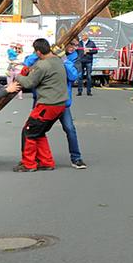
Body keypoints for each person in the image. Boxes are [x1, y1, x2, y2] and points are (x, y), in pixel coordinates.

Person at [24, 41, 88, 169]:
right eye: (70, 45)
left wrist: (64, 60)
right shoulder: (45, 59)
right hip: (43, 100)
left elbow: (73, 76)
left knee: (69, 129)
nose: (72, 48)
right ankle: (38, 159)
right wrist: (39, 55)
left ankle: (76, 158)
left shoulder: (70, 58)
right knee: (36, 130)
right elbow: (27, 63)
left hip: (62, 102)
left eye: (74, 45)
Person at [13, 38, 69, 172]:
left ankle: (29, 164)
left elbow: (28, 83)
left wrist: (18, 76)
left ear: (38, 52)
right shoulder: (56, 60)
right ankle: (46, 161)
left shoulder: (43, 65)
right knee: (39, 132)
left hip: (47, 104)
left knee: (29, 131)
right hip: (59, 104)